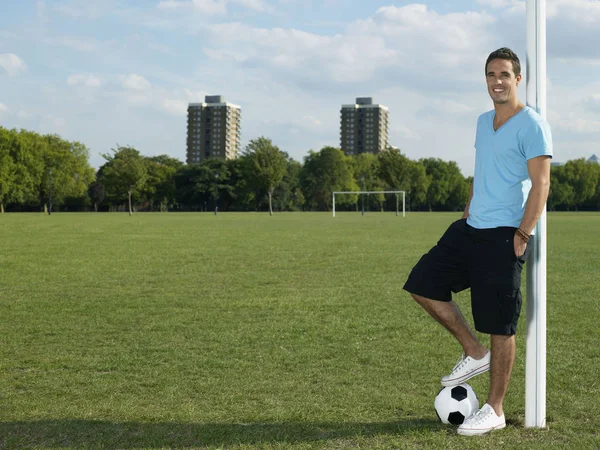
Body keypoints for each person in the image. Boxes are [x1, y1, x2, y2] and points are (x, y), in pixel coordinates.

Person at [403, 47, 552, 436]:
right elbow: (482, 168)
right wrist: (470, 205)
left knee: (500, 324)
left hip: (505, 234)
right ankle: (473, 351)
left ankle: (495, 409)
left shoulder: (532, 124)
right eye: (490, 74)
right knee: (422, 283)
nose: (497, 81)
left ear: (518, 79)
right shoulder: (483, 121)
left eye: (504, 74)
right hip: (471, 228)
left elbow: (541, 183)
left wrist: (523, 234)